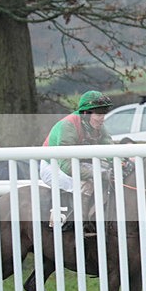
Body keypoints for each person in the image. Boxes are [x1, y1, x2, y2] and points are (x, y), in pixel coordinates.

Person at [40, 90, 114, 223]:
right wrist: (98, 173)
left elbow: (110, 150)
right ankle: (81, 224)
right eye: (98, 114)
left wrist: (123, 162)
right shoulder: (68, 125)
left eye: (104, 113)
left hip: (77, 163)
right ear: (85, 113)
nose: (102, 118)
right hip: (54, 166)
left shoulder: (98, 126)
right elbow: (66, 165)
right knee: (86, 184)